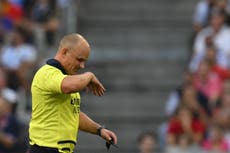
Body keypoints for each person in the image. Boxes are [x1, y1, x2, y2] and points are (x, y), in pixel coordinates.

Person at [28, 33, 118, 153]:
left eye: (84, 61)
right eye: (79, 59)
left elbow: (73, 115)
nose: (82, 65)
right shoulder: (47, 73)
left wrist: (99, 130)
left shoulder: (64, 78)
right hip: (45, 148)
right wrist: (89, 75)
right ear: (64, 52)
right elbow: (69, 86)